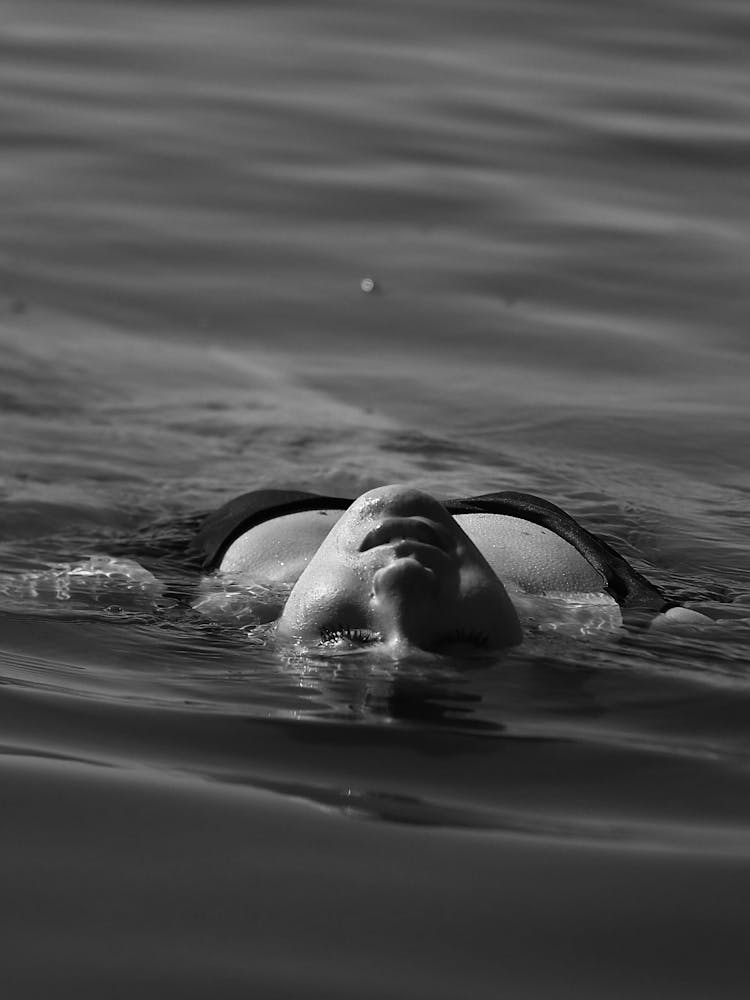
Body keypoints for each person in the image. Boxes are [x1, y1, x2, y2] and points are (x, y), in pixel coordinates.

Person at [188, 483, 711, 653]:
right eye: (460, 639)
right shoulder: (616, 614)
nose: (402, 578)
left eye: (346, 635)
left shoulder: (222, 602)